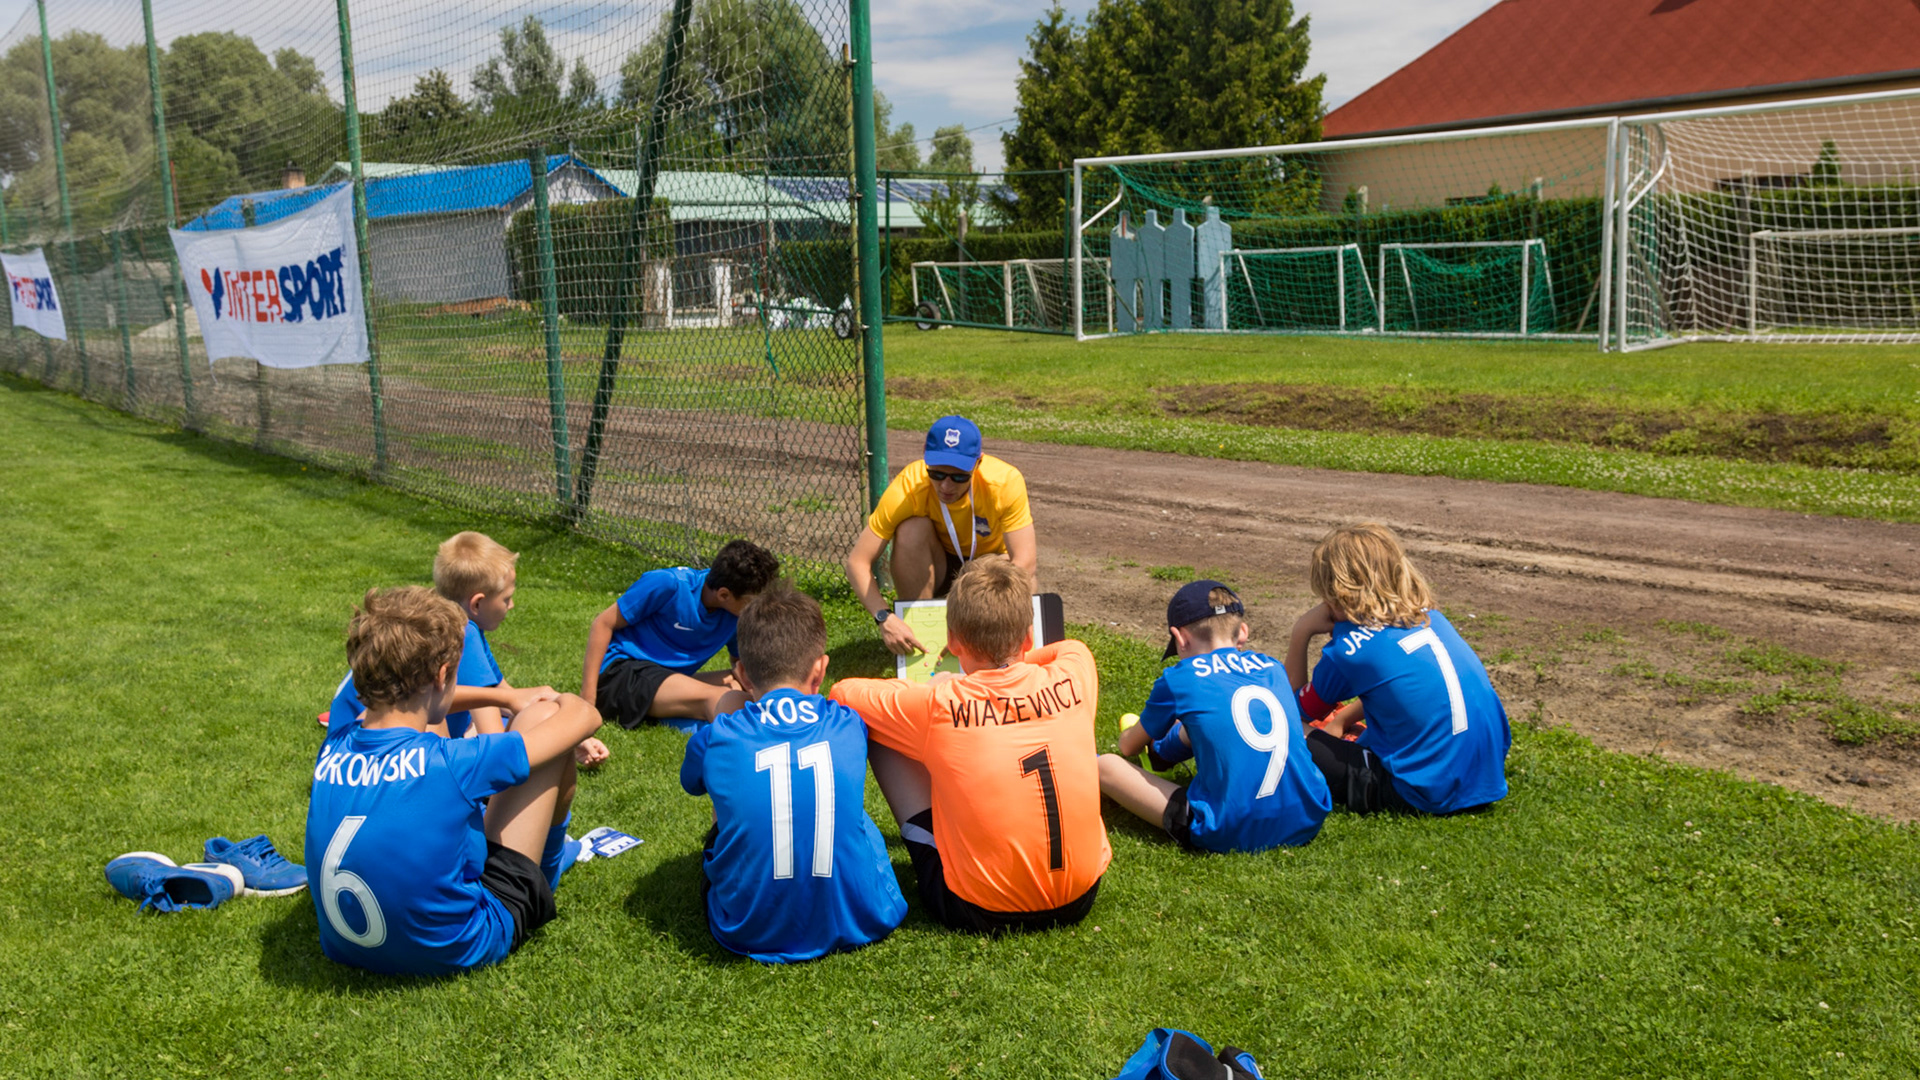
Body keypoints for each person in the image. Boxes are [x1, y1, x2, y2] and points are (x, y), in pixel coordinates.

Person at [305, 586, 602, 976]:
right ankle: (544, 875)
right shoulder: (451, 762)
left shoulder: (336, 742)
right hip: (459, 945)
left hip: (346, 946)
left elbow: (427, 702)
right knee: (545, 722)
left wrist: (505, 699)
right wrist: (551, 700)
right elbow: (585, 718)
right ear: (443, 674)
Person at [830, 556, 1107, 934]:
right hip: (1082, 895)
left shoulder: (939, 704)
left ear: (953, 641)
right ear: (1028, 636)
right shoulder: (1076, 671)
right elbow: (1068, 648)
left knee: (882, 728)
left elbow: (844, 692)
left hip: (980, 909)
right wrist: (1014, 670)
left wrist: (938, 686)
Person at [680, 584, 907, 962]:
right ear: (820, 670)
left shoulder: (716, 736)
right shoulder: (849, 723)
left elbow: (692, 784)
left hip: (747, 928)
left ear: (742, 674)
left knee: (725, 786)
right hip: (861, 917)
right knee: (856, 815)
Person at [322, 531, 605, 766]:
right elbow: (493, 733)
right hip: (380, 752)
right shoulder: (462, 633)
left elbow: (503, 694)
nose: (512, 606)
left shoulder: (440, 623)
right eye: (507, 599)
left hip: (344, 748)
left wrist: (560, 723)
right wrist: (562, 735)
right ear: (477, 604)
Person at [1284, 523, 1511, 816]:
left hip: (1420, 794)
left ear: (1338, 594)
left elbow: (1291, 711)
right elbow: (1405, 688)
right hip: (1485, 779)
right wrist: (1342, 718)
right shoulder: (1431, 618)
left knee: (1285, 729)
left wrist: (1301, 631)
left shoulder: (1349, 649)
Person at [1098, 581, 1331, 853]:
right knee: (1200, 727)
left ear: (1180, 637)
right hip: (1308, 816)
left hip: (1228, 829)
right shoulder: (1273, 667)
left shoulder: (1180, 677)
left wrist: (1131, 733)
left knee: (1106, 766)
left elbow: (1128, 747)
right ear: (1242, 632)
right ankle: (1163, 751)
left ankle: (1158, 753)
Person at [846, 415, 1037, 656]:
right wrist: (885, 617)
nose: (946, 486)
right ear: (924, 456)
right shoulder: (909, 485)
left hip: (989, 565)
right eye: (936, 474)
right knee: (910, 531)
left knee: (1018, 576)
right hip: (941, 562)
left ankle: (1001, 650)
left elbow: (1025, 563)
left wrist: (983, 610)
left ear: (978, 463)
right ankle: (919, 639)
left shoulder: (1005, 482)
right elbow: (857, 562)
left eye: (958, 477)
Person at [582, 539, 781, 729]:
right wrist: (588, 700)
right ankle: (745, 740)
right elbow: (602, 624)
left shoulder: (734, 615)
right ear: (724, 595)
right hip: (622, 673)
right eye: (752, 601)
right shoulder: (669, 584)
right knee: (720, 697)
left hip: (668, 677)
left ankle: (672, 714)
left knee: (738, 684)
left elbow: (742, 667)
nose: (758, 607)